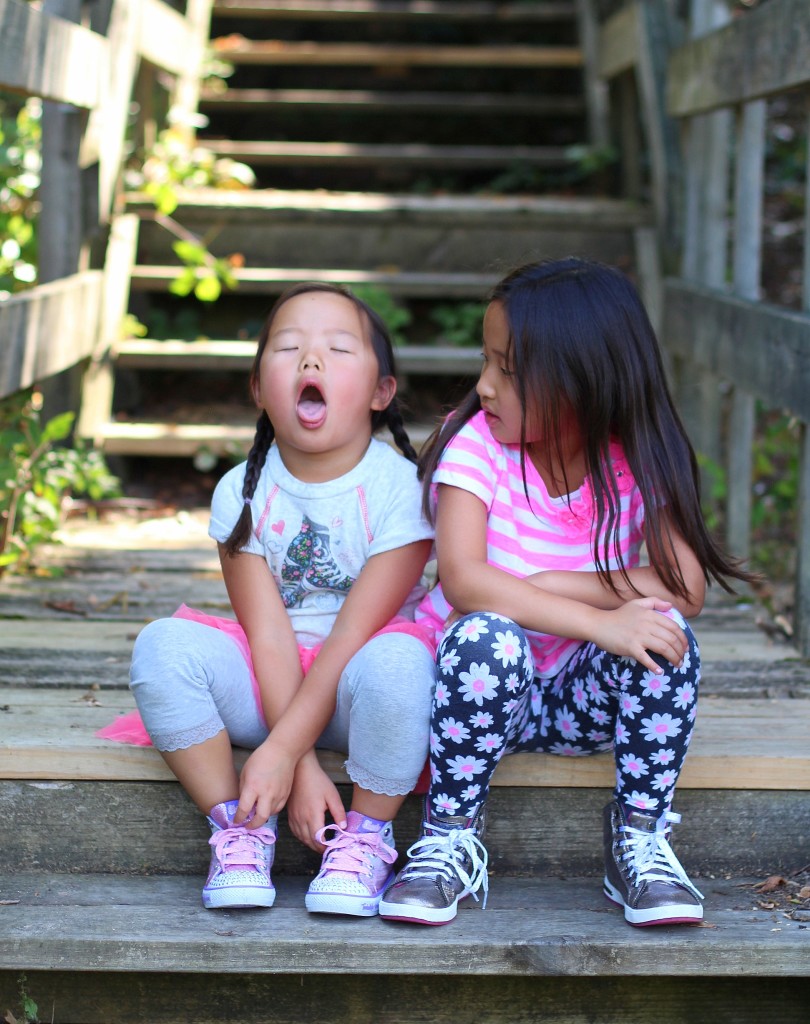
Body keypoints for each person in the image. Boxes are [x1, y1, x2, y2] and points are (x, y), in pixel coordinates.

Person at [378, 257, 754, 928]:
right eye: (487, 361)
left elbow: (684, 586)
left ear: (583, 380)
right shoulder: (477, 447)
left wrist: (560, 588)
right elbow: (465, 579)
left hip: (579, 701)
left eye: (508, 370)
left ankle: (640, 839)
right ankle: (447, 837)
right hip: (477, 700)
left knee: (666, 633)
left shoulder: (638, 455)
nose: (485, 386)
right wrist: (600, 619)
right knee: (486, 634)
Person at [127, 283, 436, 916]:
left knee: (401, 664)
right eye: (288, 347)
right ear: (258, 389)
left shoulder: (402, 490)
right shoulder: (241, 492)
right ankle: (241, 825)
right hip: (269, 687)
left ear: (382, 392)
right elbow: (267, 635)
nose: (311, 359)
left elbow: (350, 637)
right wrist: (297, 766)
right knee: (162, 647)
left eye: (338, 349)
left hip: (362, 694)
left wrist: (282, 752)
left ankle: (365, 837)